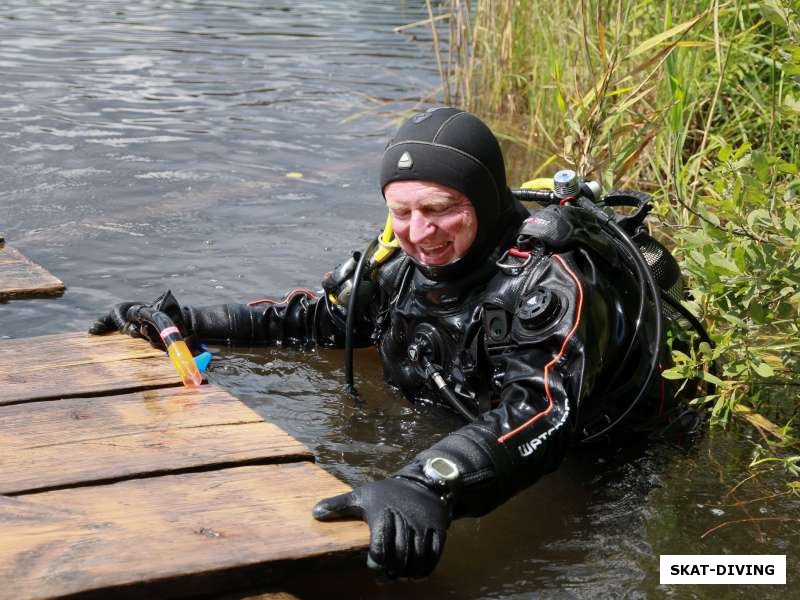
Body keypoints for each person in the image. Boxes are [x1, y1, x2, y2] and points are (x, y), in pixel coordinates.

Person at [90, 107, 700, 579]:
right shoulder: (397, 263)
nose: (419, 233)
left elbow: (539, 410)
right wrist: (182, 322)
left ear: (484, 203)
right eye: (401, 212)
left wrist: (428, 482)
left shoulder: (552, 286)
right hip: (467, 424)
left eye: (441, 210)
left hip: (602, 455)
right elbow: (311, 322)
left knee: (650, 564)